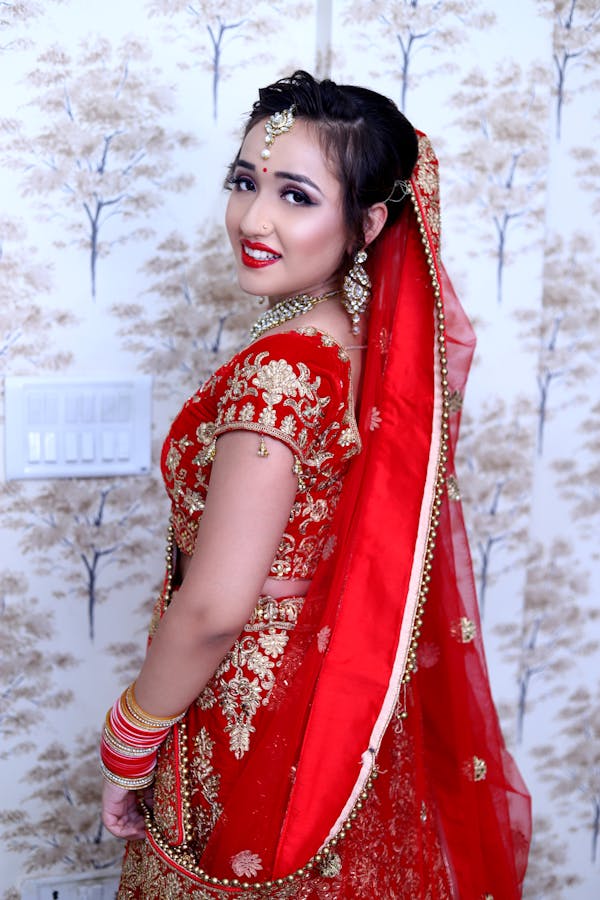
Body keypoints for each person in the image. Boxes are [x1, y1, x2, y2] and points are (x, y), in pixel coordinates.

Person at [100, 70, 531, 898]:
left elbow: (214, 608)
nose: (253, 220)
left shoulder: (280, 371)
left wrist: (128, 738)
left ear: (368, 223)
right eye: (244, 182)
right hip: (336, 709)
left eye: (295, 195)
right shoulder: (363, 352)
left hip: (251, 723)